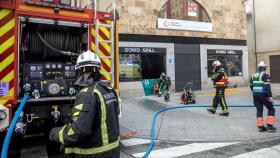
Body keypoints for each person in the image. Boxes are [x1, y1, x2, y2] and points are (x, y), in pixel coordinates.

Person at [49, 50, 121, 157]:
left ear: (81, 72)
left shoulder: (88, 94)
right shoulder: (110, 90)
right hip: (112, 153)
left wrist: (54, 133)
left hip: (95, 154)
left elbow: (78, 132)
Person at [250, 61, 276, 132]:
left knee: (259, 110)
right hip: (263, 95)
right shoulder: (265, 75)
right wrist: (270, 96)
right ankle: (270, 126)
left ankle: (260, 127)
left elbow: (251, 86)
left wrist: (255, 93)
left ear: (258, 67)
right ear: (264, 67)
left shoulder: (253, 75)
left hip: (255, 95)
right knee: (271, 109)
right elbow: (267, 86)